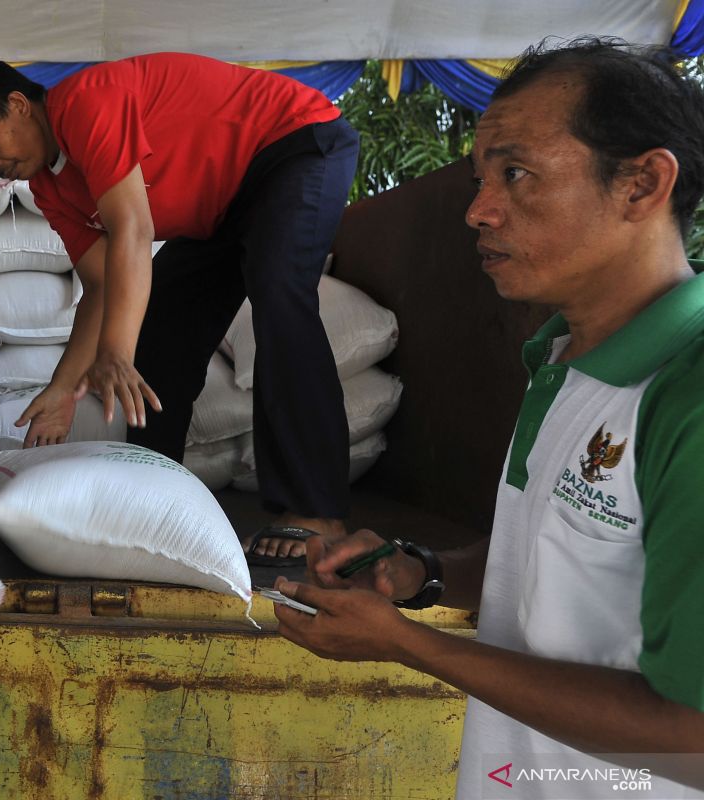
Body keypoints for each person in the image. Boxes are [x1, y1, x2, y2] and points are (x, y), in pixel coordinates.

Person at [271, 38, 704, 797]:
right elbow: (550, 561)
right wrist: (426, 572)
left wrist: (408, 647)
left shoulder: (687, 398)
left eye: (516, 174)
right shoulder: (561, 359)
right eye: (480, 179)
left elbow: (692, 741)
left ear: (641, 184)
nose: (478, 210)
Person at [0, 53, 359, 563]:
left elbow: (134, 229)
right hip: (224, 209)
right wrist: (64, 389)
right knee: (163, 325)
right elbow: (102, 283)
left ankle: (316, 510)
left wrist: (115, 352)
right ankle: (154, 493)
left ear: (19, 106)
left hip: (293, 144)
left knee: (279, 293)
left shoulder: (84, 103)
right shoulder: (50, 187)